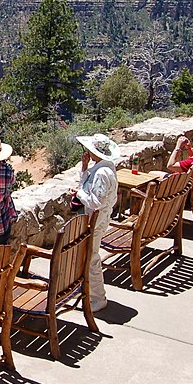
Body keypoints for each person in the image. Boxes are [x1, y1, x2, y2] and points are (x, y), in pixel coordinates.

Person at [71, 133, 120, 312]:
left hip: (95, 220)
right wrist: (84, 169)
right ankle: (88, 289)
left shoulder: (101, 173)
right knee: (88, 255)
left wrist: (78, 194)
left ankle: (98, 297)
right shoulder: (106, 168)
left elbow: (95, 202)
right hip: (99, 219)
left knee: (92, 257)